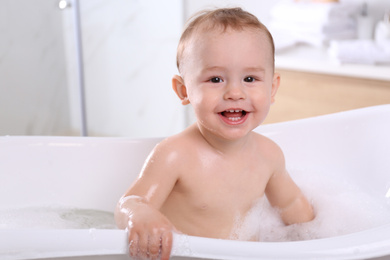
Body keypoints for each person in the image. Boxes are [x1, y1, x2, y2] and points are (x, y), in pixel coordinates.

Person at [115, 7, 314, 260]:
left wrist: (324, 235)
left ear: (272, 88)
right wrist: (141, 214)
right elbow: (129, 203)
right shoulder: (175, 154)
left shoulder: (269, 155)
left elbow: (292, 206)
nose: (235, 93)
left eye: (250, 79)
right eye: (216, 79)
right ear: (183, 90)